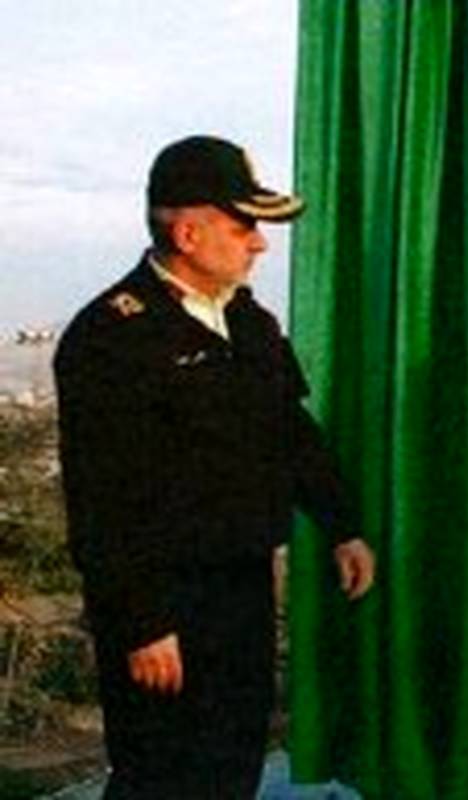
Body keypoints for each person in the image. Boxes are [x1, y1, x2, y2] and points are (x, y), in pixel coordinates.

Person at [54, 135, 376, 798]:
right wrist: (143, 623)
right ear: (188, 233)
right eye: (243, 226)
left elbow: (291, 431)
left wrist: (343, 524)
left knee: (232, 765)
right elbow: (102, 499)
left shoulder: (248, 321)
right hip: (164, 605)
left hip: (241, 589)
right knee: (160, 777)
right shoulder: (110, 336)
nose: (259, 244)